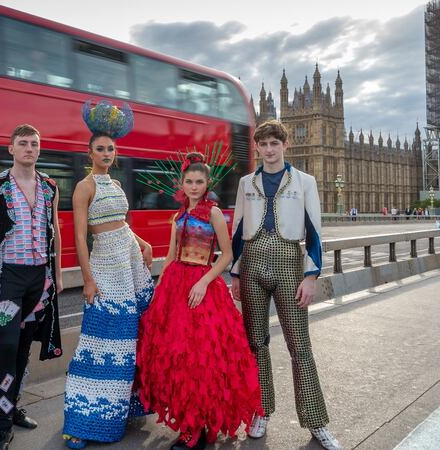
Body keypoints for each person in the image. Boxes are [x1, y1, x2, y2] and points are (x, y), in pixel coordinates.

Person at [135, 152, 262, 450]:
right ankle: (190, 423)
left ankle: (201, 427)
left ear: (207, 183)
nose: (194, 186)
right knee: (179, 358)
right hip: (176, 287)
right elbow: (170, 255)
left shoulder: (214, 213)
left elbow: (228, 255)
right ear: (182, 183)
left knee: (202, 359)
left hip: (203, 285)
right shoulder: (177, 215)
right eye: (189, 181)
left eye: (199, 182)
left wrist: (204, 282)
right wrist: (160, 287)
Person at [230, 119, 341, 450]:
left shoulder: (304, 181)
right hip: (251, 263)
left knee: (300, 346)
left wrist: (311, 276)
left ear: (284, 145)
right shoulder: (246, 182)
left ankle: (315, 421)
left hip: (289, 263)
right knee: (256, 344)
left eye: (274, 143)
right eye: (263, 144)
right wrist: (235, 273)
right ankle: (261, 411)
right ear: (257, 147)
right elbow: (237, 228)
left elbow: (315, 230)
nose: (268, 149)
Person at [62, 100, 154, 449]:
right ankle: (82, 422)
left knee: (127, 344)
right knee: (98, 345)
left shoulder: (114, 185)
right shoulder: (85, 187)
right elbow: (80, 237)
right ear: (90, 152)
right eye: (100, 149)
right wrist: (88, 279)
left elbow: (122, 225)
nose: (106, 153)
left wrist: (143, 242)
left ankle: (121, 410)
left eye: (110, 149)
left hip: (128, 266)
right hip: (104, 270)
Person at [0, 124, 64, 450]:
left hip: (39, 281)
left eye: (34, 143)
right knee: (6, 347)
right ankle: (4, 423)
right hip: (6, 279)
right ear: (11, 148)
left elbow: (55, 229)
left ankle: (14, 405)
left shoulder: (51, 187)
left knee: (24, 347)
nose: (29, 148)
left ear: (39, 149)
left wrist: (58, 272)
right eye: (22, 143)